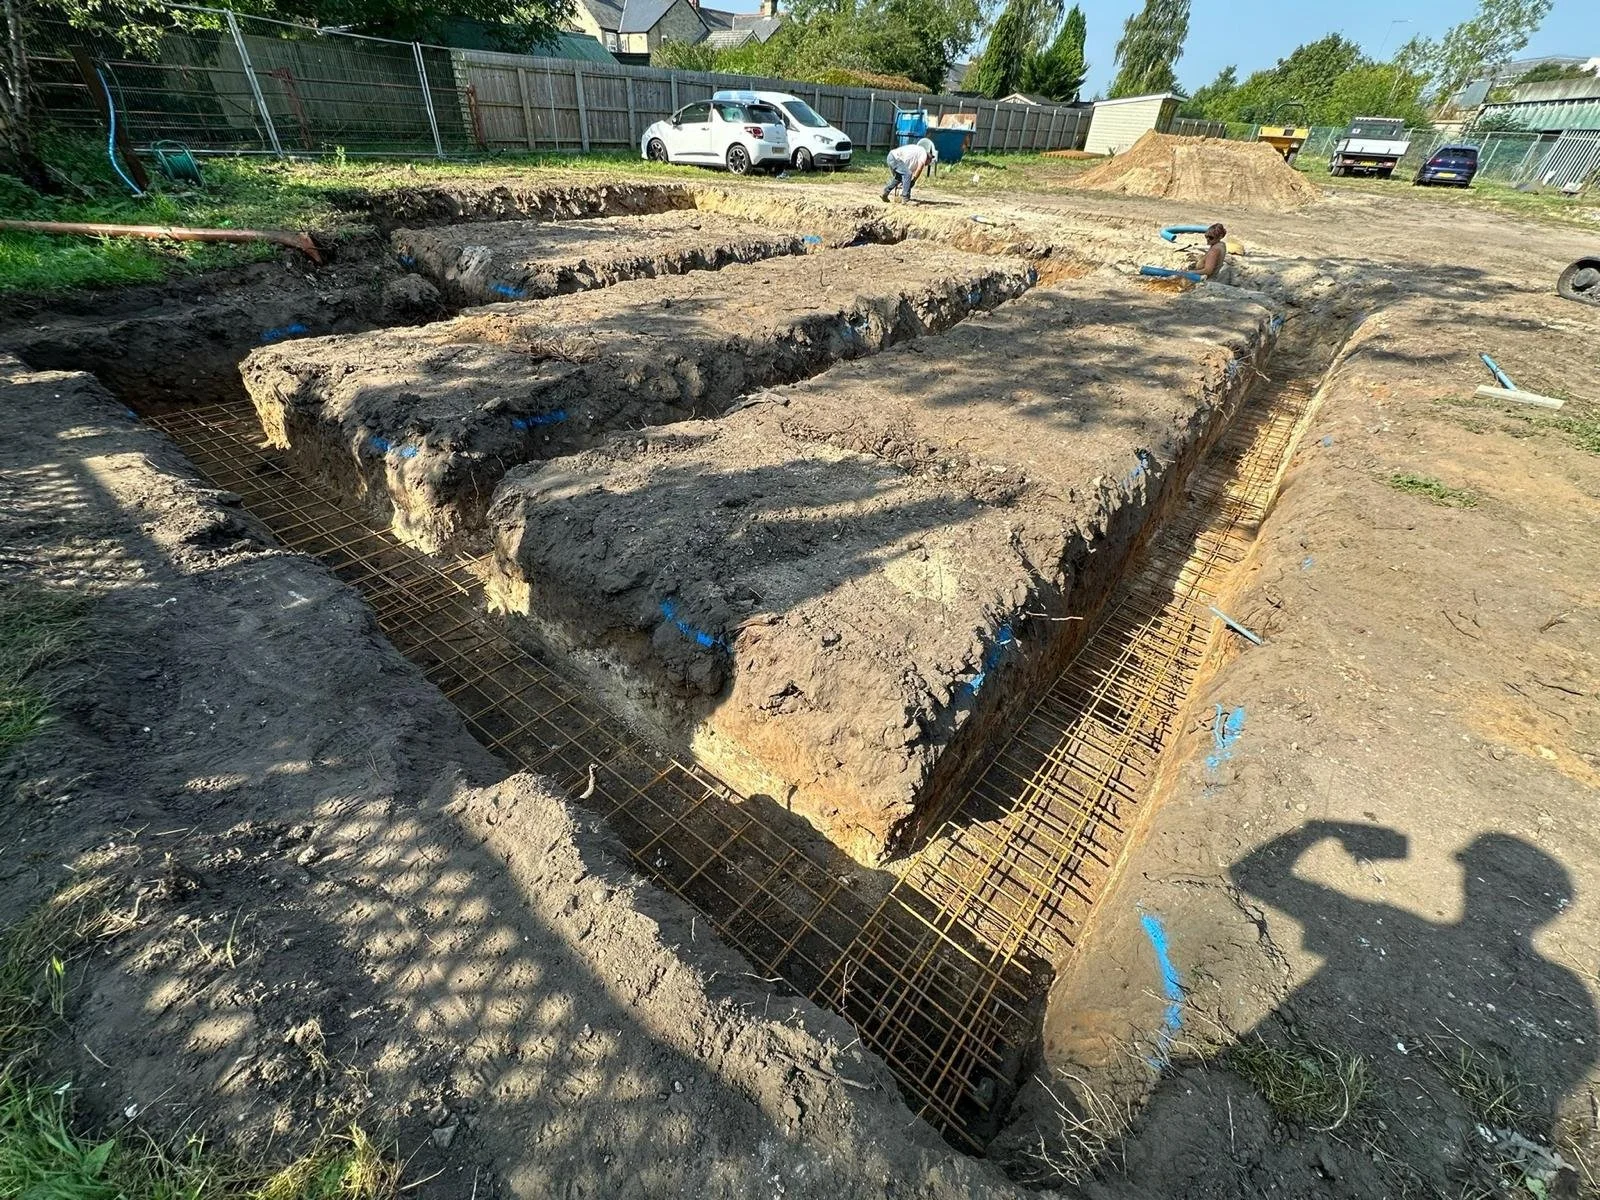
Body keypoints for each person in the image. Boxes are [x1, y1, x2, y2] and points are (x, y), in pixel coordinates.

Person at [881, 137, 937, 204]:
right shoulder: (924, 154)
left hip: (892, 156)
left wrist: (908, 182)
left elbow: (906, 175)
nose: (926, 165)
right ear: (929, 159)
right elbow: (920, 168)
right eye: (927, 163)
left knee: (899, 177)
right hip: (895, 158)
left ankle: (885, 192)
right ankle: (905, 198)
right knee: (908, 174)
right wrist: (913, 181)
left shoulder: (916, 156)